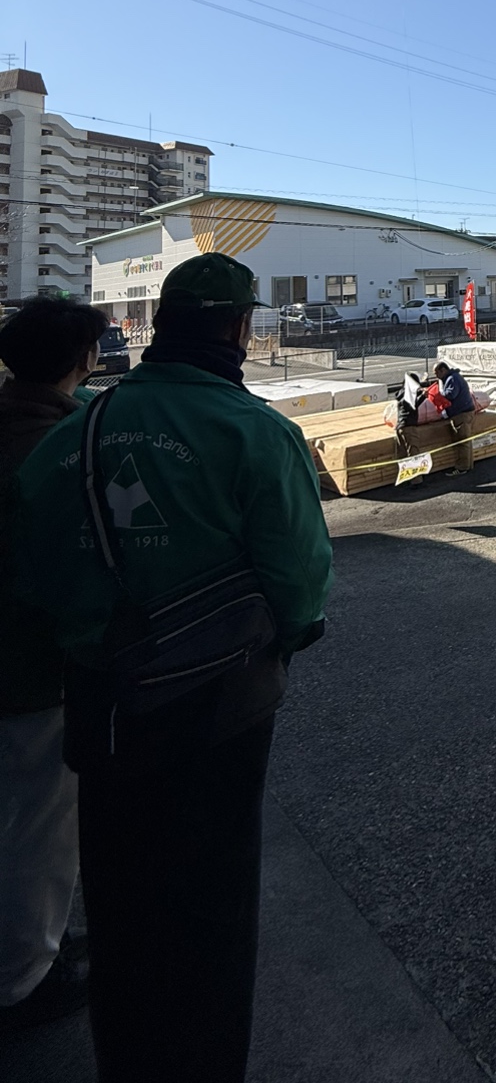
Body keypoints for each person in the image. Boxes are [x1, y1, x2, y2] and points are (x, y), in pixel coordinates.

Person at [10, 253, 333, 1083]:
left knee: (119, 891)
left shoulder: (73, 430)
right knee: (209, 897)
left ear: (158, 325)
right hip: (218, 700)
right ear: (238, 327)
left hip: (99, 697)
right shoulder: (255, 431)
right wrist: (287, 641)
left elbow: (30, 562)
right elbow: (300, 579)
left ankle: (126, 1055)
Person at [0, 299, 106, 1033]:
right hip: (31, 666)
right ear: (83, 361)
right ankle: (25, 978)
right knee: (40, 823)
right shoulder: (63, 448)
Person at [433, 358, 476, 474]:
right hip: (466, 411)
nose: (436, 376)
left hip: (461, 413)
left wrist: (439, 394)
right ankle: (468, 465)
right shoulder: (454, 377)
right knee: (466, 441)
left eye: (437, 373)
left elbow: (451, 394)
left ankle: (462, 468)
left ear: (443, 370)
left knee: (462, 442)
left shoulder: (452, 379)